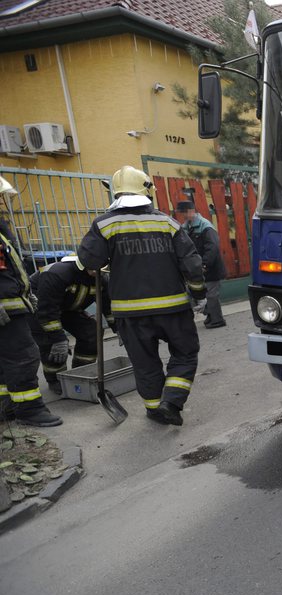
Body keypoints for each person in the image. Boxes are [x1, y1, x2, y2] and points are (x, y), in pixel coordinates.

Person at [78, 166, 206, 426]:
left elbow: (89, 260)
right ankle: (171, 402)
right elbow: (191, 263)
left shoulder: (104, 224)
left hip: (130, 313)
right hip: (173, 309)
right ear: (147, 190)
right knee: (185, 353)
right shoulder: (167, 223)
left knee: (145, 362)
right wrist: (198, 292)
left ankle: (153, 408)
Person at [0, 218, 62, 426]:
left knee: (5, 360)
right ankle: (29, 410)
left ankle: (6, 407)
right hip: (5, 308)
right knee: (23, 357)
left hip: (11, 305)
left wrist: (25, 292)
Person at [29, 256, 111, 395]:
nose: (101, 273)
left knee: (91, 332)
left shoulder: (101, 278)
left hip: (67, 308)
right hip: (40, 309)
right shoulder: (57, 274)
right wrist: (59, 339)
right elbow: (47, 311)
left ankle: (80, 374)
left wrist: (120, 329)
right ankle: (55, 379)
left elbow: (108, 306)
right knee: (52, 343)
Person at [174, 200, 228, 329]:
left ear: (191, 211)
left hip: (211, 268)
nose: (183, 216)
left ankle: (217, 320)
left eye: (184, 213)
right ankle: (211, 315)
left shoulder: (205, 226)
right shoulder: (186, 227)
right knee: (201, 294)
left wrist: (204, 264)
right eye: (182, 214)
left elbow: (213, 247)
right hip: (199, 267)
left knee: (211, 295)